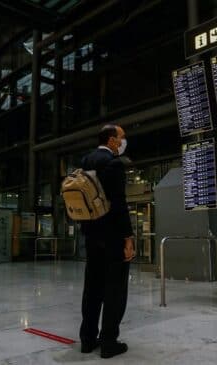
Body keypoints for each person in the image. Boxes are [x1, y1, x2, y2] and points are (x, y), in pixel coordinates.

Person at [79, 124, 135, 359]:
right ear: (112, 140)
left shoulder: (87, 160)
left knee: (92, 288)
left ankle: (87, 339)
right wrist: (128, 238)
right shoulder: (113, 163)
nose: (124, 141)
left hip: (91, 236)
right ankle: (109, 342)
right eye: (122, 137)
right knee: (115, 289)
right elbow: (119, 204)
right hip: (112, 238)